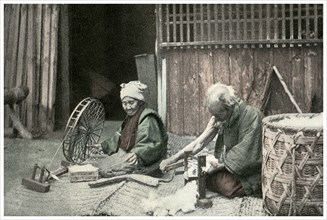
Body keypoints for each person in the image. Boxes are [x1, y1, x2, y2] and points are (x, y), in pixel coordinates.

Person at [160, 82, 264, 198]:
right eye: (213, 115)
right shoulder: (220, 117)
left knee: (225, 185)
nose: (215, 119)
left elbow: (246, 156)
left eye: (218, 115)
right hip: (230, 165)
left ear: (229, 107)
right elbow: (199, 143)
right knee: (197, 172)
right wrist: (172, 159)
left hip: (250, 171)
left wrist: (214, 168)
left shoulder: (251, 116)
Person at [89, 81, 168, 177]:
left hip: (142, 159)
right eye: (124, 103)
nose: (128, 107)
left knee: (105, 170)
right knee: (98, 165)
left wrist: (137, 153)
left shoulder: (147, 118)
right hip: (128, 154)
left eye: (131, 103)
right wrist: (103, 146)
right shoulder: (131, 117)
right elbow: (120, 136)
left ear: (139, 102)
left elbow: (151, 143)